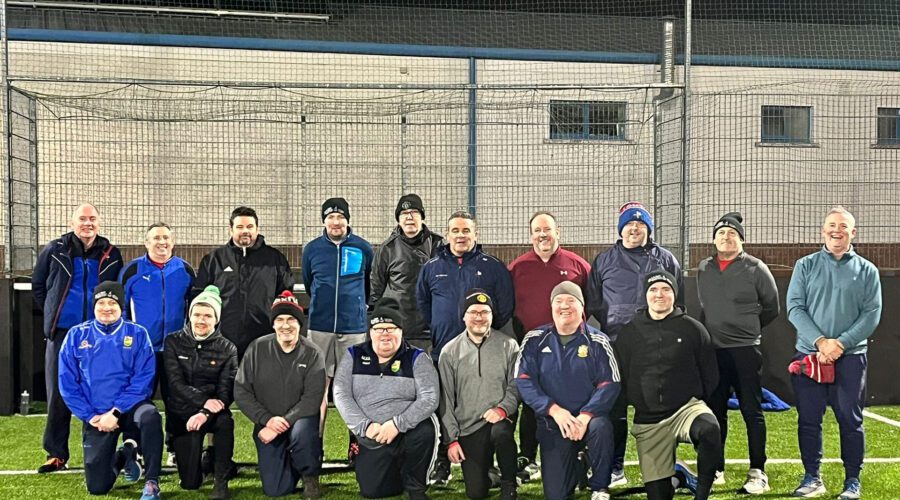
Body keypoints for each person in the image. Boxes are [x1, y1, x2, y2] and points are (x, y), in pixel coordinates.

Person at [786, 206, 882, 500]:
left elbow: (872, 314)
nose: (836, 230)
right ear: (822, 231)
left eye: (843, 226)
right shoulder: (805, 265)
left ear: (853, 233)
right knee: (809, 419)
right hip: (810, 356)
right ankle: (812, 477)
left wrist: (840, 344)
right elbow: (794, 308)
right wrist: (820, 343)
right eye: (831, 225)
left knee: (850, 420)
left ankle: (852, 480)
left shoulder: (867, 270)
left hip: (850, 358)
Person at [585, 201, 683, 486]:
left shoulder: (665, 259)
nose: (634, 229)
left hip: (656, 347)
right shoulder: (604, 260)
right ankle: (615, 468)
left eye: (640, 225)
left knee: (656, 409)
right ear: (620, 229)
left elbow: (679, 301)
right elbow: (594, 303)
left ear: (649, 230)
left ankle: (661, 469)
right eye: (629, 224)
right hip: (615, 348)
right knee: (614, 410)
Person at [416, 210, 514, 484]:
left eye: (466, 230)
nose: (461, 235)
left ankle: (490, 463)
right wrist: (442, 328)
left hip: (483, 350)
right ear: (447, 235)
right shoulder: (432, 267)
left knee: (486, 404)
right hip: (444, 350)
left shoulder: (492, 266)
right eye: (455, 231)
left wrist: (481, 335)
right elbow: (423, 304)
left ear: (475, 234)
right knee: (443, 404)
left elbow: (504, 307)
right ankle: (442, 462)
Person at [31, 203, 123, 473]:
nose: (88, 223)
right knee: (59, 394)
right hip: (62, 334)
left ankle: (94, 452)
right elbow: (39, 286)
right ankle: (56, 453)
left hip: (98, 335)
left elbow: (118, 290)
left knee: (95, 392)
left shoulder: (111, 253)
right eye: (82, 219)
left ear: (100, 222)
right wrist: (54, 315)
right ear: (73, 223)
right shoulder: (54, 249)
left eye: (92, 219)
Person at [616, 271, 721, 500]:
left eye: (666, 289)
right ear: (645, 295)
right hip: (649, 421)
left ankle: (702, 494)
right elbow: (621, 378)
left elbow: (710, 374)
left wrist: (696, 398)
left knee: (710, 429)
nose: (659, 295)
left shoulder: (693, 329)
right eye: (653, 290)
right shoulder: (629, 332)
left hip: (686, 409)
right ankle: (679, 477)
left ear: (675, 294)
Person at [696, 212, 779, 493]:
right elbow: (705, 306)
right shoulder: (704, 268)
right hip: (715, 353)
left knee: (752, 411)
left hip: (745, 351)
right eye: (721, 233)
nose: (726, 237)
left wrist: (747, 331)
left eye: (732, 233)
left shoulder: (756, 268)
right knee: (715, 411)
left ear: (741, 238)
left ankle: (758, 471)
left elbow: (772, 308)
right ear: (714, 239)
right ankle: (716, 467)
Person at [58, 281, 163, 500]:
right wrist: (91, 416)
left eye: (112, 302)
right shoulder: (76, 336)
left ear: (122, 306)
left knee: (151, 417)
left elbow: (143, 380)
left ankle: (152, 482)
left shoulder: (137, 334)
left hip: (130, 409)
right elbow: (67, 384)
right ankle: (126, 455)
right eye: (101, 302)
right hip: (97, 415)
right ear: (94, 306)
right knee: (98, 487)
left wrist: (115, 411)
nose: (107, 307)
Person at [516, 281, 620, 500]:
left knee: (601, 426)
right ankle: (579, 465)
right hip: (553, 423)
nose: (565, 306)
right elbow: (524, 381)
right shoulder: (534, 339)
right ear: (551, 306)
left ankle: (600, 487)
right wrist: (555, 411)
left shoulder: (598, 341)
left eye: (571, 300)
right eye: (559, 301)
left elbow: (610, 383)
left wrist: (585, 415)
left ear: (582, 307)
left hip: (588, 421)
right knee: (557, 495)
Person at [507, 211, 590, 481]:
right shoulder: (518, 268)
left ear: (558, 232)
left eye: (548, 229)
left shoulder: (578, 265)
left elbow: (593, 301)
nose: (543, 235)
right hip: (533, 349)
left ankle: (580, 454)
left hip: (571, 349)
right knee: (533, 402)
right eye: (537, 231)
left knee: (574, 399)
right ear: (531, 235)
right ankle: (528, 457)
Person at [333, 298, 440, 500]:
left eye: (391, 328)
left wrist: (397, 424)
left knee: (425, 431)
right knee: (373, 491)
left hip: (407, 431)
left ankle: (416, 486)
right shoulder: (353, 355)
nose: (385, 333)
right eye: (380, 328)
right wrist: (365, 426)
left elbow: (430, 398)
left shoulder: (416, 357)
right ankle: (397, 472)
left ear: (401, 331)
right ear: (371, 332)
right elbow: (340, 394)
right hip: (372, 434)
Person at [234, 291, 326, 499]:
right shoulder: (256, 348)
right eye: (280, 320)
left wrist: (284, 421)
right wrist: (267, 420)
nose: (286, 325)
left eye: (292, 319)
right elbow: (241, 391)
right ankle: (289, 462)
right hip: (267, 422)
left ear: (300, 323)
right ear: (273, 324)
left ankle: (309, 474)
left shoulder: (313, 353)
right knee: (276, 490)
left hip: (299, 420)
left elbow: (313, 398)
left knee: (302, 434)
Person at [302, 197, 374, 458]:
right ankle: (315, 444)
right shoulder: (311, 249)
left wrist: (354, 307)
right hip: (320, 327)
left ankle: (355, 443)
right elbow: (310, 284)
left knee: (353, 386)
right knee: (319, 386)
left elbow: (368, 285)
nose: (336, 222)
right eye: (330, 217)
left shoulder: (363, 248)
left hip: (353, 327)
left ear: (348, 219)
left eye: (340, 217)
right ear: (324, 220)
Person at [120, 222, 196, 465]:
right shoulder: (132, 271)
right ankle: (135, 448)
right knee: (139, 398)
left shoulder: (185, 270)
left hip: (175, 349)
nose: (162, 242)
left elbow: (194, 307)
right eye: (156, 238)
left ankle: (174, 448)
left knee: (176, 400)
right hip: (142, 351)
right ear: (146, 243)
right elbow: (120, 308)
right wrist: (128, 342)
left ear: (173, 242)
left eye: (166, 238)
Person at [439, 289, 520, 499]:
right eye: (473, 312)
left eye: (485, 312)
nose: (479, 317)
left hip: (498, 418)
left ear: (492, 316)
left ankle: (509, 485)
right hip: (468, 427)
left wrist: (502, 409)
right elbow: (445, 400)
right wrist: (452, 440)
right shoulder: (449, 352)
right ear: (464, 316)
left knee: (502, 434)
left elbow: (516, 385)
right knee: (476, 493)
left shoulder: (509, 345)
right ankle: (489, 475)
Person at [163, 285, 238, 499]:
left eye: (207, 315)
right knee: (190, 483)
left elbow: (226, 392)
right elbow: (175, 384)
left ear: (216, 319)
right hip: (182, 413)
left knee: (225, 422)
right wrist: (204, 402)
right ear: (189, 315)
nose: (201, 320)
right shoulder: (173, 342)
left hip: (210, 413)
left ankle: (221, 480)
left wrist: (205, 413)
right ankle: (206, 459)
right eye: (196, 314)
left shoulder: (228, 348)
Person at [194, 206, 294, 359]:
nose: (245, 231)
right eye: (239, 227)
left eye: (249, 226)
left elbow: (285, 293)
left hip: (263, 337)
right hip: (222, 339)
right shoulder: (214, 260)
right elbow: (200, 296)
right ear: (231, 229)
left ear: (257, 228)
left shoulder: (275, 259)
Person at [370, 193, 443, 353]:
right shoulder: (386, 249)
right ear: (398, 219)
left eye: (414, 212)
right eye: (404, 214)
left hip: (429, 330)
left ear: (422, 216)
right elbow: (376, 290)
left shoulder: (438, 245)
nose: (409, 217)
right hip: (398, 328)